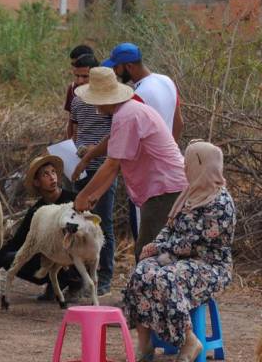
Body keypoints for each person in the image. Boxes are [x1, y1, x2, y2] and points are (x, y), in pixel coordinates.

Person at [125, 141, 235, 362]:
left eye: (189, 162)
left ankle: (189, 341)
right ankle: (145, 344)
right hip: (176, 258)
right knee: (141, 271)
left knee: (166, 279)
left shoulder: (221, 202)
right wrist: (156, 245)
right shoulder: (190, 193)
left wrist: (159, 247)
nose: (185, 166)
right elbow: (170, 227)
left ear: (202, 165)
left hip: (209, 265)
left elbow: (195, 243)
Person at [73, 67, 187, 262]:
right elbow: (117, 161)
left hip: (164, 189)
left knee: (148, 254)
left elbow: (111, 164)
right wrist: (96, 194)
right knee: (159, 252)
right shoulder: (127, 112)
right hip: (167, 186)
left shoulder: (126, 116)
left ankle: (150, 291)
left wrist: (82, 197)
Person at [0, 156, 82, 301]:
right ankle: (53, 283)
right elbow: (17, 242)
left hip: (73, 256)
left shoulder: (74, 201)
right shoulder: (36, 211)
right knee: (10, 258)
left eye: (53, 172)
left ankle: (74, 284)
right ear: (37, 182)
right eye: (46, 174)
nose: (52, 177)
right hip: (47, 259)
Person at [67, 54, 115, 296]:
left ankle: (104, 276)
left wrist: (91, 152)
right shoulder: (76, 100)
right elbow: (74, 128)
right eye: (76, 75)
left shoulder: (109, 103)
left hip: (103, 167)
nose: (80, 80)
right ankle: (77, 278)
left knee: (103, 223)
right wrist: (70, 149)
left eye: (85, 76)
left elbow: (113, 136)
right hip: (79, 167)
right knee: (77, 222)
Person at [102, 43, 183, 141]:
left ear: (129, 66)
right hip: (168, 152)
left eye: (116, 67)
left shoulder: (138, 96)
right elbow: (179, 123)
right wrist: (171, 150)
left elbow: (120, 136)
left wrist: (90, 155)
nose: (114, 72)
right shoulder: (167, 81)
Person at [64, 44, 95, 139]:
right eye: (73, 65)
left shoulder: (110, 94)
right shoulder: (73, 89)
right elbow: (72, 121)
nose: (74, 68)